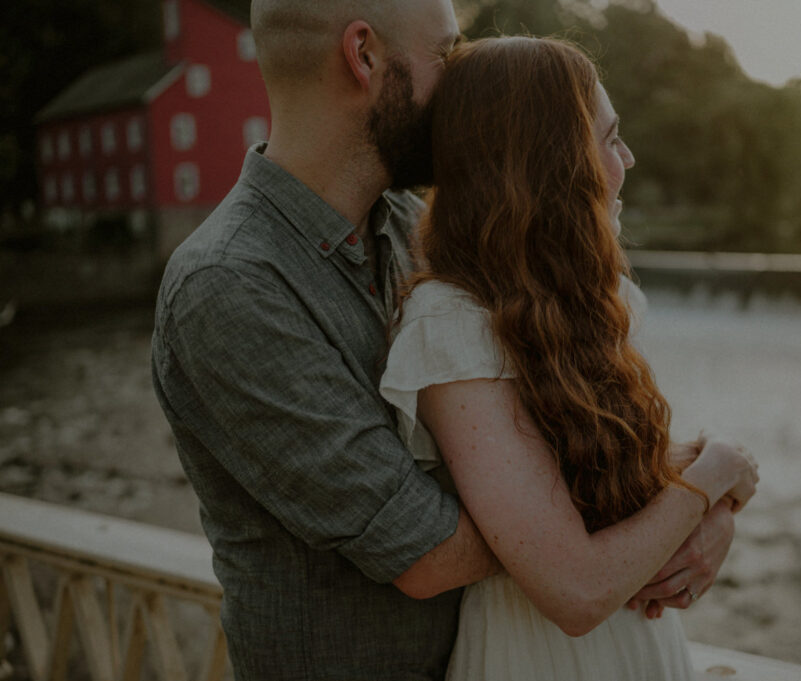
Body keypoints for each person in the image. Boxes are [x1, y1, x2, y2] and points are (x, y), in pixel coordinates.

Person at [151, 0, 741, 677]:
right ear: (364, 56)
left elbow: (572, 402)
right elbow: (427, 553)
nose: (465, 78)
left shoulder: (423, 231)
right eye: (448, 53)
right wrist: (656, 504)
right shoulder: (231, 286)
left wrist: (699, 508)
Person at [379, 36, 758, 680]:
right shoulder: (452, 326)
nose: (627, 159)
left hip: (638, 647)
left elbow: (614, 479)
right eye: (608, 139)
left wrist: (721, 506)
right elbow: (575, 591)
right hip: (540, 657)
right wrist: (718, 470)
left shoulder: (594, 302)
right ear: (551, 165)